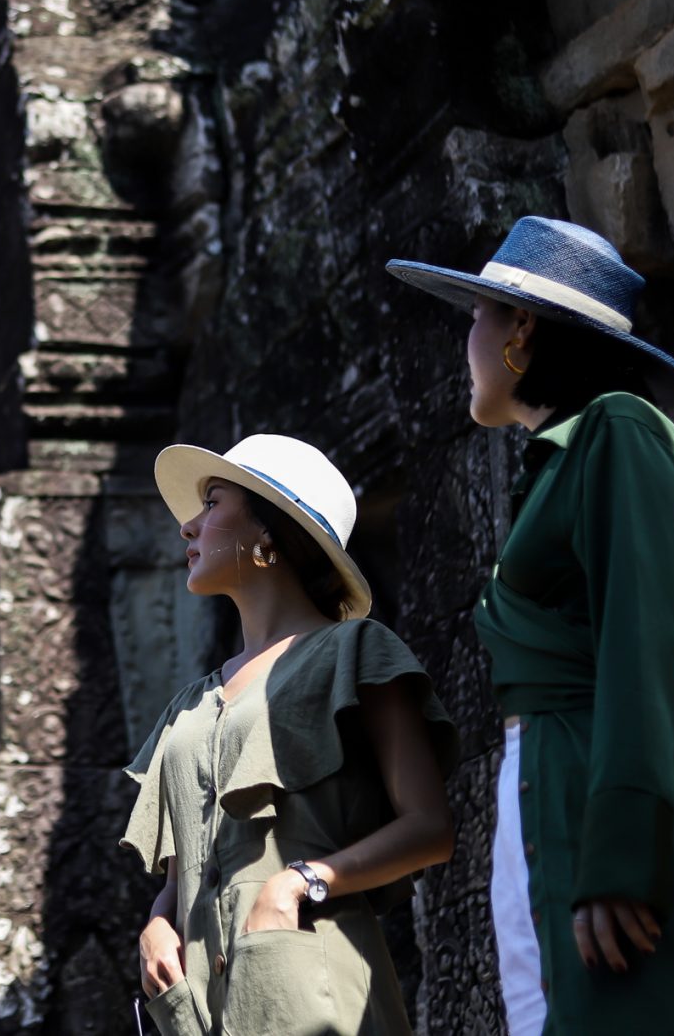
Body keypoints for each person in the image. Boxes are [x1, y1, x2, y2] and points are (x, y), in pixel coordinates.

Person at [385, 215, 674, 1035]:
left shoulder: (619, 429)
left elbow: (641, 641)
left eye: (477, 316)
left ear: (522, 326)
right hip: (558, 783)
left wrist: (622, 847)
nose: (467, 339)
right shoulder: (563, 454)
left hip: (606, 784)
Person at [123, 434, 458, 1036]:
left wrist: (302, 881)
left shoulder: (354, 652)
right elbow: (181, 876)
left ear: (268, 530)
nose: (188, 528)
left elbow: (430, 829)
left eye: (212, 503)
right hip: (198, 1009)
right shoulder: (187, 706)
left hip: (311, 992)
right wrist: (155, 921)